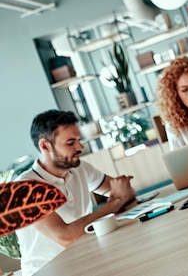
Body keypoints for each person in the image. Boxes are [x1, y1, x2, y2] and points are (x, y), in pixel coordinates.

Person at [16, 110, 136, 276]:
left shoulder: (79, 168)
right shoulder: (25, 188)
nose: (80, 147)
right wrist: (114, 204)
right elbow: (65, 237)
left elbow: (124, 192)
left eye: (79, 140)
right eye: (71, 142)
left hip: (86, 259)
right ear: (45, 146)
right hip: (49, 271)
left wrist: (121, 196)